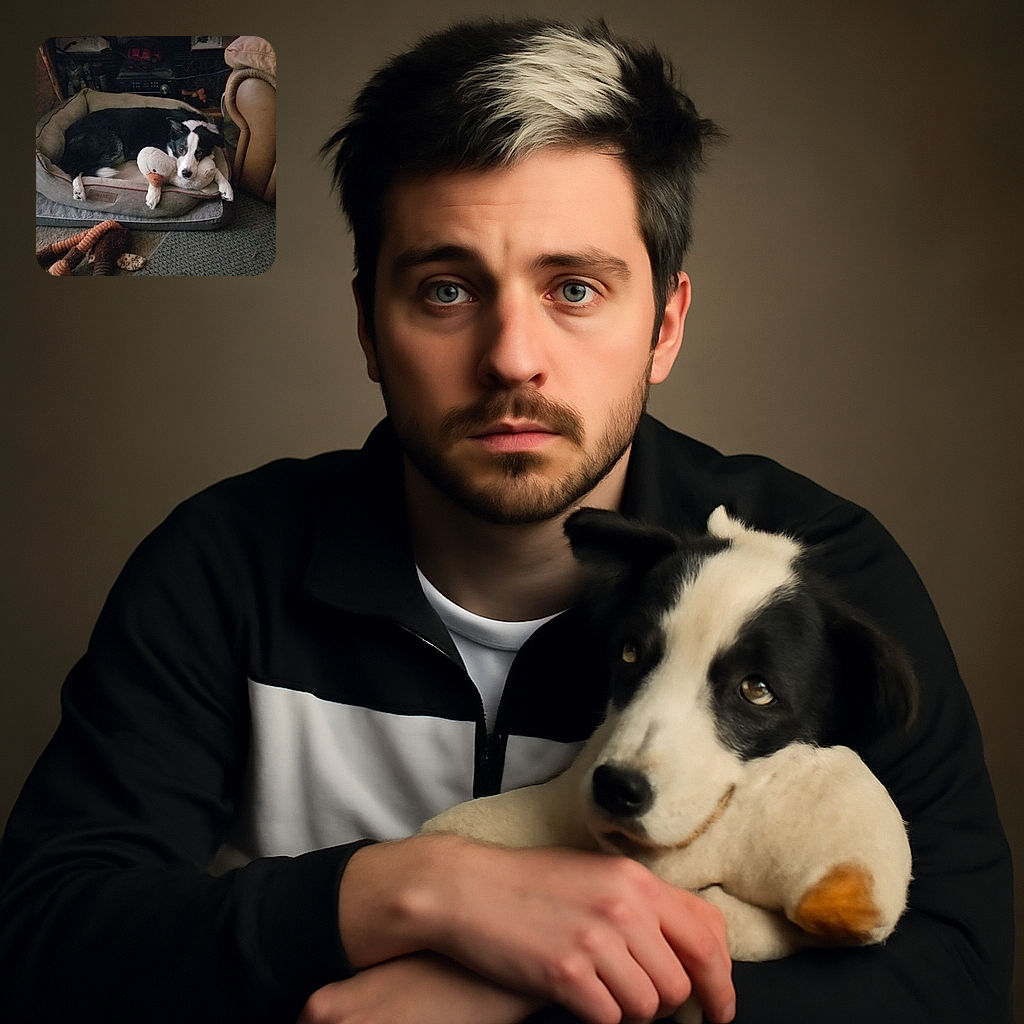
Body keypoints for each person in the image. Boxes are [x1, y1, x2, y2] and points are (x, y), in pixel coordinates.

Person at [0, 17, 1012, 1024]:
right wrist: (406, 891)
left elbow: (958, 974)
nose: (512, 358)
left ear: (663, 326)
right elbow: (40, 942)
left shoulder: (815, 585)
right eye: (446, 290)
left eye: (574, 288)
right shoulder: (225, 564)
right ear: (368, 328)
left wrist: (519, 998)